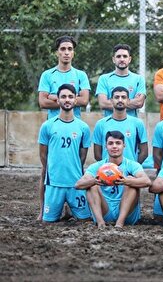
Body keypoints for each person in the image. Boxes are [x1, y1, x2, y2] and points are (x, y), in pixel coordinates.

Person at [75, 130, 151, 229]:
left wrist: (126, 181)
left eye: (118, 143)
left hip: (127, 213)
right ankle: (101, 223)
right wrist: (94, 181)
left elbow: (147, 181)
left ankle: (119, 223)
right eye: (110, 143)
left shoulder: (132, 165)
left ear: (124, 145)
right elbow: (78, 185)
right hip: (104, 210)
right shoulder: (97, 166)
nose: (114, 146)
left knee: (131, 180)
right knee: (91, 185)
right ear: (106, 146)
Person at [37, 84, 91, 222]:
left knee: (85, 220)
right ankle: (48, 209)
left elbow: (82, 156)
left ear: (75, 100)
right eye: (63, 97)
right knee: (48, 221)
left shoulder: (83, 127)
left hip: (75, 183)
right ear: (58, 100)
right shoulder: (47, 126)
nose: (67, 100)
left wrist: (73, 169)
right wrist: (53, 170)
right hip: (54, 182)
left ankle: (70, 210)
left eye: (70, 97)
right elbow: (43, 155)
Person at [38, 36, 90, 119]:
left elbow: (84, 101)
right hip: (53, 125)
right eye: (63, 49)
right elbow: (43, 103)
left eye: (70, 49)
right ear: (57, 52)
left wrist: (55, 97)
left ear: (73, 53)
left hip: (75, 125)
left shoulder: (81, 75)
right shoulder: (47, 75)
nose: (66, 52)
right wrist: (72, 100)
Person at [92, 86, 148, 164]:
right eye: (117, 97)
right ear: (111, 100)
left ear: (128, 101)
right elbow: (97, 154)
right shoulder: (101, 124)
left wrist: (133, 168)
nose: (120, 100)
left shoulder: (138, 124)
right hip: (108, 173)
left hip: (130, 174)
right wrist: (107, 168)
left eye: (123, 97)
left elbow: (144, 152)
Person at [96, 44, 146, 117]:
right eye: (118, 56)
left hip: (131, 125)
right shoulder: (104, 79)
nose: (122, 59)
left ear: (129, 59)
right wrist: (131, 102)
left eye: (125, 56)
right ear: (113, 59)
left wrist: (113, 102)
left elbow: (139, 103)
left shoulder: (138, 79)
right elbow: (103, 104)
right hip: (109, 124)